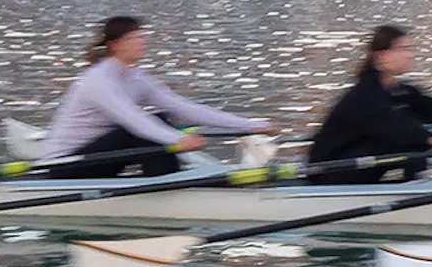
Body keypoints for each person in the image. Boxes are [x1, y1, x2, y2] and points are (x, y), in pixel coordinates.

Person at [39, 15, 273, 176]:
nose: (142, 42)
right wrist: (177, 140)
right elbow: (134, 121)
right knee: (147, 128)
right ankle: (168, 187)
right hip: (67, 165)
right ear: (116, 45)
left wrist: (252, 125)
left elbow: (184, 108)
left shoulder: (135, 77)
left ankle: (168, 182)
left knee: (161, 118)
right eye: (135, 38)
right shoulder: (98, 80)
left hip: (99, 159)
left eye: (142, 36)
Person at [304, 23, 432, 183]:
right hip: (330, 172)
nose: (409, 54)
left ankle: (417, 186)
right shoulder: (363, 95)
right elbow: (394, 125)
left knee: (418, 139)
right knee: (414, 141)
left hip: (359, 166)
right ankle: (417, 191)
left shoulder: (401, 91)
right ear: (380, 56)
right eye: (401, 49)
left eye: (410, 48)